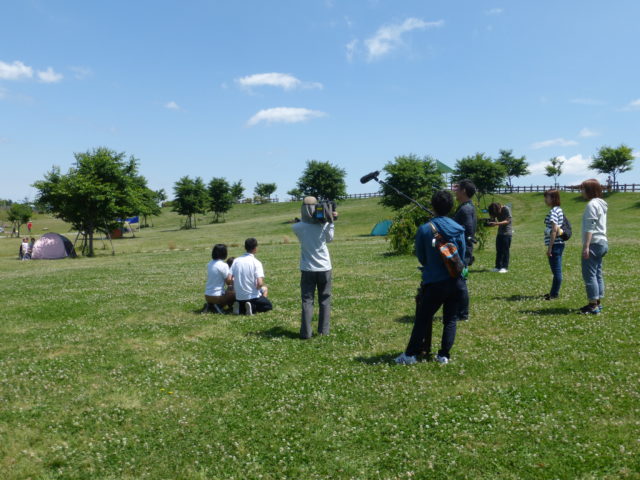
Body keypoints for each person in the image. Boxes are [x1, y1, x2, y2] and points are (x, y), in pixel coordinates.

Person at [395, 190, 466, 365]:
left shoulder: (425, 229)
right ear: (451, 207)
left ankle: (410, 355)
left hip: (434, 281)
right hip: (456, 280)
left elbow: (421, 256)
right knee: (450, 320)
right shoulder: (458, 228)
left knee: (423, 319)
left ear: (433, 206)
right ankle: (444, 355)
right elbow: (462, 255)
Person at [291, 196, 337, 339]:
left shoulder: (297, 227)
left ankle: (306, 333)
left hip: (307, 268)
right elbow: (330, 239)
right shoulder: (324, 225)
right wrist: (331, 221)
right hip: (324, 267)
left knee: (307, 301)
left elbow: (303, 224)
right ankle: (324, 331)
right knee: (325, 300)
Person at [579, 179, 608, 314]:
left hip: (594, 243)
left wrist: (586, 246)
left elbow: (590, 227)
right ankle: (598, 302)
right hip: (602, 242)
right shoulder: (601, 204)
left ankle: (592, 305)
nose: (581, 191)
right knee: (597, 274)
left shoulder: (592, 205)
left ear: (589, 190)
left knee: (589, 275)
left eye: (583, 189)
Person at [453, 179, 477, 321]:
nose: (455, 191)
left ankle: (462, 314)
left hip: (463, 252)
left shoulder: (466, 209)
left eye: (458, 189)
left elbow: (467, 231)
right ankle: (460, 312)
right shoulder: (467, 207)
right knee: (461, 280)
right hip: (464, 251)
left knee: (461, 282)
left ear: (463, 191)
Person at [230, 238, 272, 315]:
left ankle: (240, 307)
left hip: (238, 297)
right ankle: (252, 307)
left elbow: (230, 278)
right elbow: (260, 283)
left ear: (245, 247)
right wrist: (258, 289)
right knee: (268, 306)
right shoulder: (256, 262)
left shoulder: (236, 261)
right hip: (253, 297)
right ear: (255, 248)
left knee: (243, 301)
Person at [543, 190, 565, 300]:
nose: (545, 200)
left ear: (553, 198)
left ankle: (554, 294)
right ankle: (553, 292)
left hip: (555, 244)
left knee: (556, 271)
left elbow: (554, 230)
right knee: (557, 270)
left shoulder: (553, 212)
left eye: (546, 197)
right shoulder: (559, 210)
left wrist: (550, 248)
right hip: (560, 244)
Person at [203, 244, 235, 314]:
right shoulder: (223, 265)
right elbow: (228, 282)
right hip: (217, 297)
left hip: (207, 296)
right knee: (234, 293)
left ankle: (211, 305)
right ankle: (221, 307)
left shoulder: (209, 264)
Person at [487, 202, 513, 273]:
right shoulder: (496, 211)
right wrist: (491, 221)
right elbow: (494, 219)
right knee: (498, 250)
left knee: (505, 251)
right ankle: (498, 267)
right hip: (500, 233)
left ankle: (505, 267)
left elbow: (508, 221)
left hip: (507, 233)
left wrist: (496, 223)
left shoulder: (506, 209)